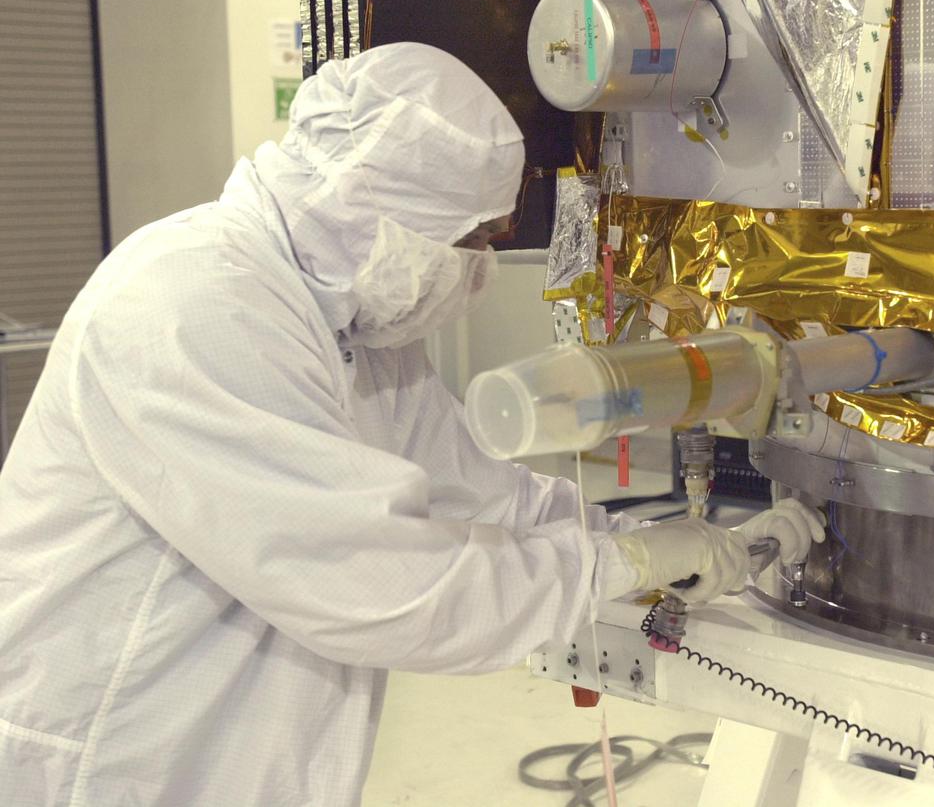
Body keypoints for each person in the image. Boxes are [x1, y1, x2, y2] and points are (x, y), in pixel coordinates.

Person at [0, 42, 823, 805]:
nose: (479, 271)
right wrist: (614, 564)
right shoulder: (191, 306)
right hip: (110, 759)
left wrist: (660, 540)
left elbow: (472, 491)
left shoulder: (350, 317)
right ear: (375, 209)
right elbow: (374, 579)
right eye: (470, 240)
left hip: (229, 755)